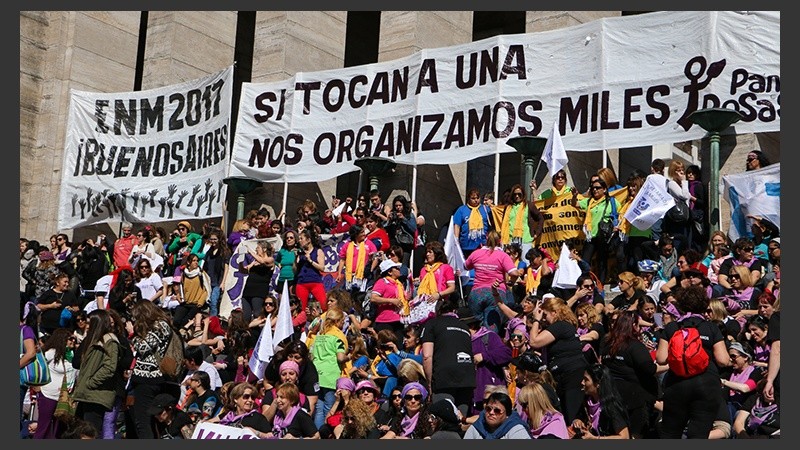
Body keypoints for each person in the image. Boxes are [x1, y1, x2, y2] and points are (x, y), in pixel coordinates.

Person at [655, 285, 731, 438]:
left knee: (670, 433)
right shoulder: (711, 328)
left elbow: (661, 358)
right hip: (706, 385)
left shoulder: (671, 327)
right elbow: (723, 360)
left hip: (677, 384)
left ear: (681, 304)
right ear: (704, 304)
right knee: (698, 434)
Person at [599, 310, 662, 439]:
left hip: (612, 395)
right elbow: (650, 369)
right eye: (638, 325)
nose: (639, 329)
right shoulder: (634, 345)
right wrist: (670, 365)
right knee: (635, 435)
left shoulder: (607, 345)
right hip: (634, 398)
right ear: (633, 326)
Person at [529, 295, 587, 424]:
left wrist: (536, 320)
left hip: (571, 375)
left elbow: (534, 341)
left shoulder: (560, 326)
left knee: (571, 414)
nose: (544, 318)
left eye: (545, 315)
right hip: (564, 375)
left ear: (554, 313)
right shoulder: (563, 326)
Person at [71, 309, 124, 437]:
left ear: (98, 323)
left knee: (90, 433)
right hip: (86, 394)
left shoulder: (110, 341)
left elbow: (109, 368)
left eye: (90, 323)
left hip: (96, 395)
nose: (87, 326)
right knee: (79, 431)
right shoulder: (93, 340)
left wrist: (91, 382)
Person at [128, 300, 177, 439]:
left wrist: (133, 334)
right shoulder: (159, 325)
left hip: (149, 379)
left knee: (143, 421)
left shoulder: (160, 325)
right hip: (147, 379)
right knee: (148, 420)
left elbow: (143, 347)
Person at [420, 297, 477, 416]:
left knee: (444, 418)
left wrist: (430, 383)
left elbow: (427, 356)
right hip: (467, 376)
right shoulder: (465, 327)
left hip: (444, 376)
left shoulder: (432, 324)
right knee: (462, 419)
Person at [464, 230, 521, 333]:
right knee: (491, 329)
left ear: (486, 239)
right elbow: (515, 273)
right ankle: (489, 347)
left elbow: (466, 266)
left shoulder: (476, 253)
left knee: (474, 328)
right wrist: (511, 283)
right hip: (496, 294)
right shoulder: (503, 256)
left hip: (477, 293)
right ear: (500, 241)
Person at [571, 178, 620, 285]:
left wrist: (616, 227)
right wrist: (574, 196)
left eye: (598, 188)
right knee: (584, 260)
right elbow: (575, 204)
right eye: (593, 188)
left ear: (605, 190)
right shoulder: (589, 201)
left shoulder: (612, 201)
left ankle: (601, 284)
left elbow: (620, 215)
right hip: (591, 236)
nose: (595, 190)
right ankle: (585, 281)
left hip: (604, 236)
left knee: (602, 261)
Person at [461, 310, 512, 415]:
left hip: (490, 396)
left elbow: (506, 353)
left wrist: (484, 356)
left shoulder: (488, 337)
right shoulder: (462, 342)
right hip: (471, 399)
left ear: (472, 326)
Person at [32, 329, 78, 439]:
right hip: (48, 395)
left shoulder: (72, 355)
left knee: (60, 430)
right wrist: (36, 386)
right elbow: (36, 367)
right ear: (62, 339)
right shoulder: (51, 353)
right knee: (44, 427)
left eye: (73, 339)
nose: (72, 341)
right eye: (69, 338)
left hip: (64, 399)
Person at [309, 308, 350, 429]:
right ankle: (325, 435)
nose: (343, 324)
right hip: (330, 376)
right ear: (338, 321)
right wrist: (349, 357)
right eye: (342, 321)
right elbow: (340, 358)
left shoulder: (319, 336)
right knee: (329, 407)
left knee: (319, 408)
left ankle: (318, 433)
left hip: (317, 375)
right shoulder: (337, 336)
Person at [570, 363, 631, 439]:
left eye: (586, 380)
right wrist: (578, 421)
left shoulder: (611, 406)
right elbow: (580, 417)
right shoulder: (587, 401)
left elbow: (625, 437)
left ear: (598, 383)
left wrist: (596, 439)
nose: (582, 382)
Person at [411, 241, 456, 325]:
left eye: (430, 252)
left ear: (437, 253)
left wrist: (438, 294)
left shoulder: (446, 268)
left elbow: (452, 287)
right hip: (424, 305)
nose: (427, 254)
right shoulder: (423, 270)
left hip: (439, 303)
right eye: (427, 252)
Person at [463, 391, 531, 439]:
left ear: (507, 414)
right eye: (488, 409)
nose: (491, 413)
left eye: (497, 411)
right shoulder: (476, 427)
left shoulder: (516, 429)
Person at [723, 340, 762, 423]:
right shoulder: (729, 372)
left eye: (733, 356)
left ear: (745, 357)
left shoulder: (755, 372)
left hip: (744, 409)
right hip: (729, 406)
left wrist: (724, 382)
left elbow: (746, 388)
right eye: (729, 356)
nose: (731, 359)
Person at [369, 259, 409, 339]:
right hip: (385, 321)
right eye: (396, 268)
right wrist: (391, 300)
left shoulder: (399, 284)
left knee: (398, 346)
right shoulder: (382, 282)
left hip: (398, 320)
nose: (399, 270)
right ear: (390, 272)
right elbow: (373, 298)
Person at [337, 224, 378, 297]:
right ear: (356, 234)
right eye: (361, 232)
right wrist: (339, 274)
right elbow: (342, 259)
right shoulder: (348, 245)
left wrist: (370, 270)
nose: (364, 234)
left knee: (360, 296)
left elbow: (376, 258)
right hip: (350, 276)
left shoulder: (369, 244)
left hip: (363, 276)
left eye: (363, 232)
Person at [36, 271, 81, 336]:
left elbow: (77, 308)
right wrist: (51, 306)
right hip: (48, 327)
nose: (67, 284)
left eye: (68, 282)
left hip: (64, 328)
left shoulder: (70, 294)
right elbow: (38, 306)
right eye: (65, 282)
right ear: (57, 283)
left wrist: (71, 309)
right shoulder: (48, 293)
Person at [662, 160, 692, 254]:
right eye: (678, 170)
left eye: (682, 169)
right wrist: (684, 181)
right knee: (679, 243)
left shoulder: (681, 184)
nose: (682, 172)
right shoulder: (672, 184)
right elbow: (684, 196)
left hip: (686, 218)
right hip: (677, 219)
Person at [293, 228, 327, 312]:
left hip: (315, 282)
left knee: (323, 305)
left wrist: (310, 261)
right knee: (302, 308)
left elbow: (322, 268)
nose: (299, 241)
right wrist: (295, 260)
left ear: (308, 240)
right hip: (302, 283)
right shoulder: (300, 253)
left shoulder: (318, 251)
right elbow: (295, 270)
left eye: (301, 239)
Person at [452, 188, 492, 258]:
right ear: (468, 199)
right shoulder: (462, 210)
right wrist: (456, 240)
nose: (476, 200)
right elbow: (457, 226)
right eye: (473, 198)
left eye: (477, 198)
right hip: (466, 245)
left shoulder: (486, 209)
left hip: (482, 245)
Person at [200, 228, 230, 318]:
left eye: (215, 239)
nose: (213, 241)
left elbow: (226, 267)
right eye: (211, 239)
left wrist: (223, 282)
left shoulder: (224, 251)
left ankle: (213, 321)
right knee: (207, 302)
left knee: (214, 302)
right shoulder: (209, 252)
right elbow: (205, 266)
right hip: (209, 281)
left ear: (219, 239)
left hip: (218, 281)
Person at [274, 229, 298, 297]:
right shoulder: (282, 251)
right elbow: (275, 260)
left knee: (292, 301)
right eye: (287, 238)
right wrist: (277, 264)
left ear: (295, 239)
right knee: (281, 302)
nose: (289, 239)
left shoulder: (298, 251)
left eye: (291, 238)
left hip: (293, 279)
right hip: (282, 279)